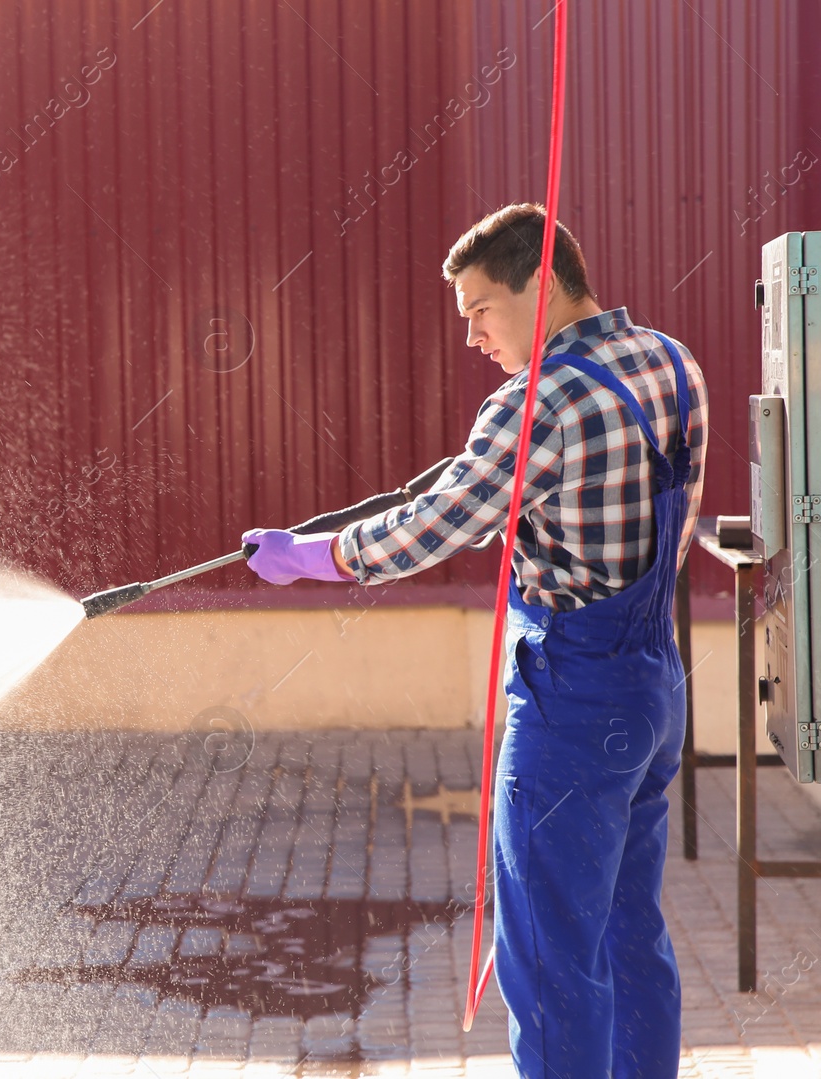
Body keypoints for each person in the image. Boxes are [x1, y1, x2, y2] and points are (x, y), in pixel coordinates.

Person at [242, 202, 708, 1078]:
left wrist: (313, 557)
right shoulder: (670, 362)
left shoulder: (537, 400)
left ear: (540, 283)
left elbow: (434, 527)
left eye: (480, 310)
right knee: (626, 930)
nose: (472, 336)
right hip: (654, 687)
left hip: (572, 699)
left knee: (549, 959)